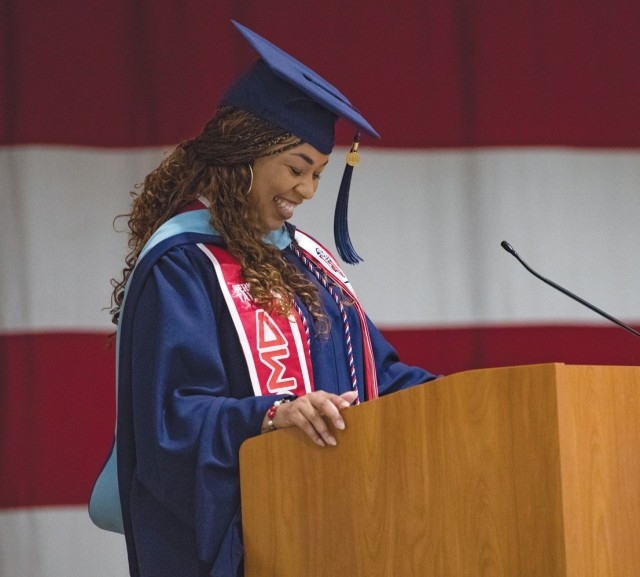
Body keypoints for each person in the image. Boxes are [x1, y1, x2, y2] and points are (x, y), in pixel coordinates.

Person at [89, 20, 437, 577]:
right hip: (250, 543)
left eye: (319, 175)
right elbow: (172, 420)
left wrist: (471, 398)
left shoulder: (309, 265)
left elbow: (375, 377)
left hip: (333, 530)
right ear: (244, 154)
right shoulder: (185, 264)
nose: (306, 191)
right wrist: (273, 415)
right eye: (296, 168)